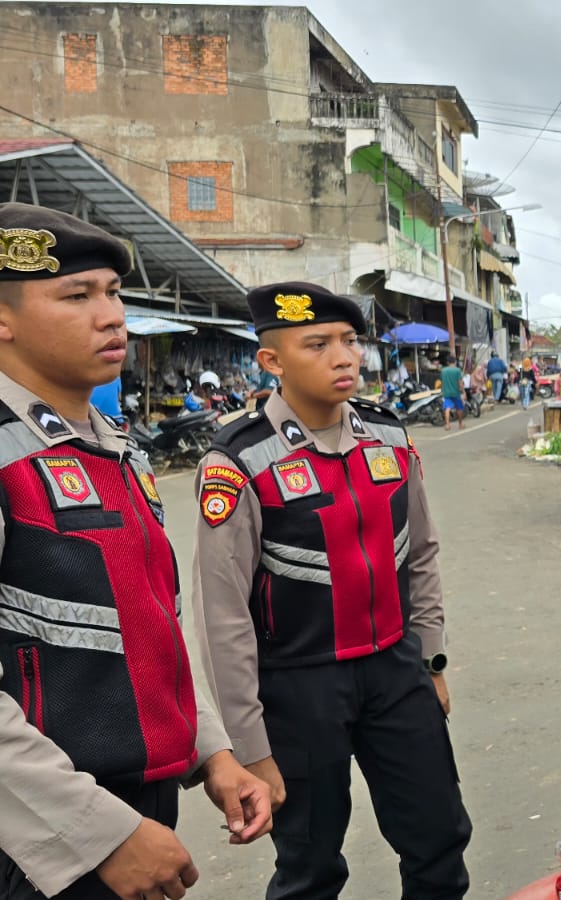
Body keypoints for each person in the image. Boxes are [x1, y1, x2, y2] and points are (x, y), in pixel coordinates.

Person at [0, 202, 272, 900]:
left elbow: (149, 625)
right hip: (36, 834)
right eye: (77, 296)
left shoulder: (110, 445)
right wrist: (99, 832)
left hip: (131, 804)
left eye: (114, 293)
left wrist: (211, 752)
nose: (111, 315)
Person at [190, 281, 472, 899]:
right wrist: (250, 746)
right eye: (317, 344)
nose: (344, 357)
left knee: (440, 842)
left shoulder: (389, 436)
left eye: (349, 341)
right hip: (298, 686)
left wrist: (433, 661)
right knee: (311, 865)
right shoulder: (238, 462)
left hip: (398, 671)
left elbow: (420, 555)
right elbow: (223, 617)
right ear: (272, 361)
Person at [438, 354, 465, 431]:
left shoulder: (443, 370)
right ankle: (460, 424)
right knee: (459, 408)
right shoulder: (457, 370)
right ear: (455, 361)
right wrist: (463, 392)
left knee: (447, 408)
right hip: (456, 392)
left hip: (446, 392)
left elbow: (442, 382)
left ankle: (447, 425)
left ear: (448, 362)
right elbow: (460, 382)